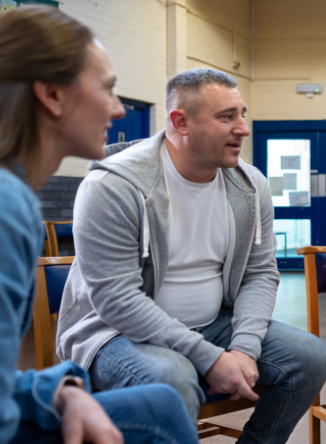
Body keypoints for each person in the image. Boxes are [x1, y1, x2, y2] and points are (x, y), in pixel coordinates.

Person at [56, 67, 326, 443]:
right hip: (115, 332)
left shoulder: (251, 186)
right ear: (180, 122)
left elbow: (259, 273)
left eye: (242, 114)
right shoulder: (112, 186)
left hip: (213, 322)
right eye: (226, 117)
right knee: (172, 379)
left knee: (310, 357)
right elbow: (115, 299)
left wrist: (245, 348)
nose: (243, 129)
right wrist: (210, 358)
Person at [0, 6, 198, 444]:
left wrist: (59, 391)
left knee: (159, 407)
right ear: (51, 94)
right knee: (165, 395)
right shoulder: (7, 206)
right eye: (108, 89)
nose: (118, 110)